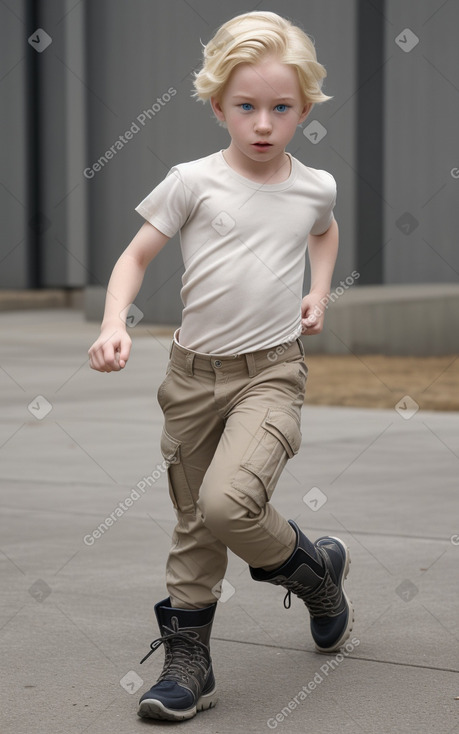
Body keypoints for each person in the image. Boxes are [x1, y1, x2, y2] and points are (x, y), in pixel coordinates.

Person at [88, 10, 354, 722]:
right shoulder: (191, 182)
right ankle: (192, 663)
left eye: (280, 108)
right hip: (190, 378)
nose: (263, 123)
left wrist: (317, 290)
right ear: (217, 107)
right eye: (245, 107)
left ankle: (315, 578)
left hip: (269, 373)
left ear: (302, 109)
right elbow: (134, 256)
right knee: (195, 523)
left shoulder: (313, 186)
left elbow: (323, 235)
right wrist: (116, 322)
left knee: (225, 502)